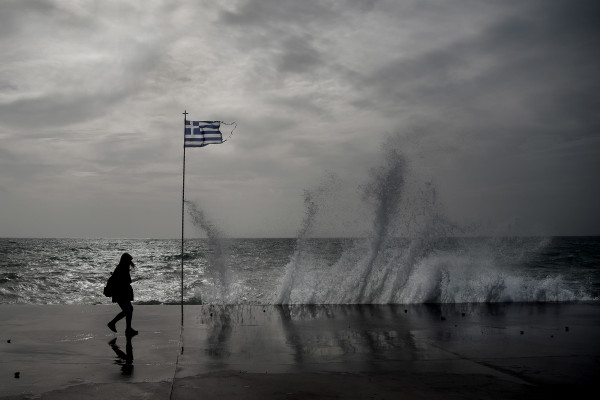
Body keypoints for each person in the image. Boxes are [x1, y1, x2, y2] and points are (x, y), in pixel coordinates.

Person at [107, 253, 138, 336]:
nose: (130, 262)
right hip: (120, 294)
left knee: (130, 309)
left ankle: (128, 329)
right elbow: (124, 282)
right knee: (127, 310)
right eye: (128, 260)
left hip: (123, 293)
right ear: (125, 261)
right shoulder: (121, 269)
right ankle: (112, 323)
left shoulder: (122, 268)